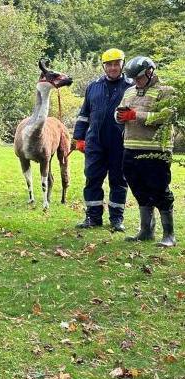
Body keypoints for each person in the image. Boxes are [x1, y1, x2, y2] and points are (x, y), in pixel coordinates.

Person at [115, 56, 176, 247]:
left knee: (159, 189)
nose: (136, 81)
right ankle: (146, 231)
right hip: (130, 148)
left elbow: (167, 116)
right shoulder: (129, 91)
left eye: (139, 78)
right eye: (133, 78)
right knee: (138, 189)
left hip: (155, 150)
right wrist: (118, 116)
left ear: (150, 72)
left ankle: (169, 235)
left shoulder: (166, 91)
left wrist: (137, 115)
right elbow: (119, 115)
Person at [72, 48, 133, 231]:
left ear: (122, 64)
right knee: (92, 179)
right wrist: (79, 138)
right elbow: (84, 115)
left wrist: (133, 116)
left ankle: (116, 219)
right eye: (109, 64)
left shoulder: (131, 87)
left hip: (120, 143)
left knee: (119, 181)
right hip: (95, 143)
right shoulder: (93, 86)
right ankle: (93, 217)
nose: (113, 68)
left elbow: (138, 110)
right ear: (104, 66)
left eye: (117, 64)